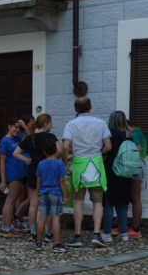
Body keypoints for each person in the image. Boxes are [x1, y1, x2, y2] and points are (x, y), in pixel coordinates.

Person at [62, 96, 111, 247]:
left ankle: (78, 236)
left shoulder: (71, 124)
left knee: (78, 202)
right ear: (90, 107)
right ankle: (96, 234)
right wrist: (99, 154)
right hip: (96, 165)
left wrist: (66, 163)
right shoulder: (101, 123)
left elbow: (65, 146)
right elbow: (109, 146)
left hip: (78, 166)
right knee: (98, 202)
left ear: (75, 108)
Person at [14, 113, 60, 238]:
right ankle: (48, 231)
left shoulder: (30, 138)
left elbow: (15, 153)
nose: (51, 125)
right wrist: (52, 159)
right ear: (46, 124)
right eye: (50, 123)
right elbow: (60, 151)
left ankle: (33, 231)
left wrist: (27, 159)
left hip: (32, 170)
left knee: (34, 204)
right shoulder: (50, 136)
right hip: (47, 171)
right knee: (48, 203)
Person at [100, 111, 133, 242]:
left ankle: (107, 233)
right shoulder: (129, 135)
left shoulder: (110, 134)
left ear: (112, 120)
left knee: (108, 202)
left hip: (111, 170)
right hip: (126, 171)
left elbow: (107, 149)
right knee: (122, 202)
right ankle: (123, 233)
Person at [0, 118, 30, 236]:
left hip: (21, 173)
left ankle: (5, 227)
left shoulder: (19, 137)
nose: (17, 130)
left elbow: (30, 138)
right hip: (13, 174)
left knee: (10, 200)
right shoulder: (5, 141)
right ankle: (7, 228)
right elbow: (2, 162)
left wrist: (25, 127)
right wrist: (3, 181)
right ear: (9, 126)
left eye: (19, 127)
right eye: (15, 127)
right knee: (10, 201)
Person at [34, 138, 67, 252]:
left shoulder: (41, 164)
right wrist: (65, 195)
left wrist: (38, 193)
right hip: (56, 193)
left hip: (43, 193)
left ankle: (38, 243)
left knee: (42, 218)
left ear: (44, 151)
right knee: (55, 218)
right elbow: (61, 181)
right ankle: (56, 244)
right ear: (56, 150)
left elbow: (38, 180)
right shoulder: (59, 163)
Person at [127, 117, 146, 236]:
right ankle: (133, 227)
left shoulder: (134, 132)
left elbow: (138, 149)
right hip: (139, 166)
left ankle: (135, 228)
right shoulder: (138, 131)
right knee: (134, 198)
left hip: (136, 166)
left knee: (135, 198)